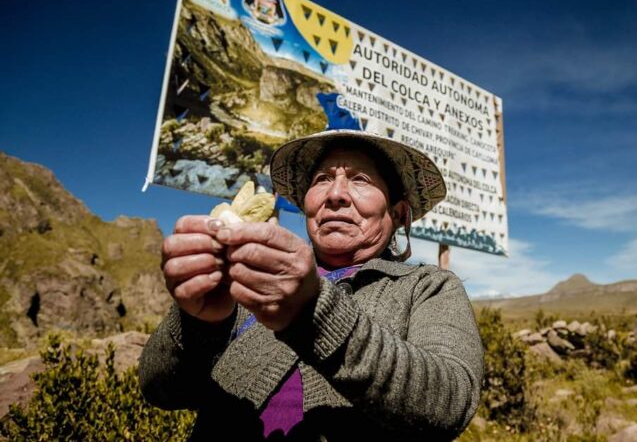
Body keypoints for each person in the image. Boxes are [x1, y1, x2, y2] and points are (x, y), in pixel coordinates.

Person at [139, 130, 484, 441]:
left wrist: (312, 313)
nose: (335, 194)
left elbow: (449, 400)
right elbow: (161, 390)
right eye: (321, 179)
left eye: (360, 179)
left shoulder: (428, 287)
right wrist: (200, 322)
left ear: (397, 213)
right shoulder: (247, 278)